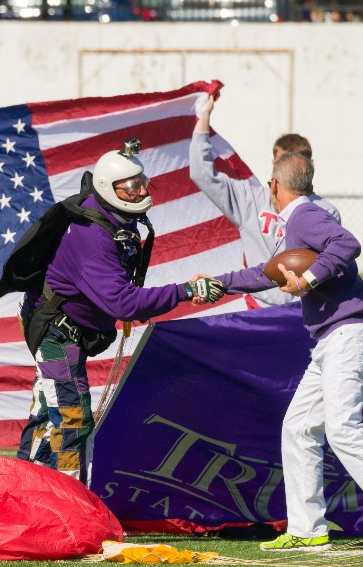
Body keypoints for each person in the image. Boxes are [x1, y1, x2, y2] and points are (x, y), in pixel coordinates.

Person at [215, 153, 363, 553]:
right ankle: (308, 529)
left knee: (343, 428)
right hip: (331, 340)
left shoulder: (305, 216)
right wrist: (219, 283)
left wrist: (306, 279)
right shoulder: (300, 221)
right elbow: (265, 272)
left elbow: (347, 243)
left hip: (348, 334)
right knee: (299, 427)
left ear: (274, 185)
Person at [17, 140, 225, 480]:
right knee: (71, 417)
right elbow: (122, 302)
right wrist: (185, 290)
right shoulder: (93, 237)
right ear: (107, 188)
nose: (140, 191)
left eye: (142, 182)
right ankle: (66, 499)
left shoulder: (115, 216)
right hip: (56, 330)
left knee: (48, 410)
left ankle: (27, 485)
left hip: (65, 325)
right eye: (130, 188)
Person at [189, 94, 340, 308]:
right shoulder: (251, 198)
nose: (288, 170)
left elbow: (336, 259)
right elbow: (202, 174)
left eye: (295, 163)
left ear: (309, 165)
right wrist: (203, 117)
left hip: (306, 309)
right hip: (258, 308)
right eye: (282, 163)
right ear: (273, 164)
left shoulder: (325, 211)